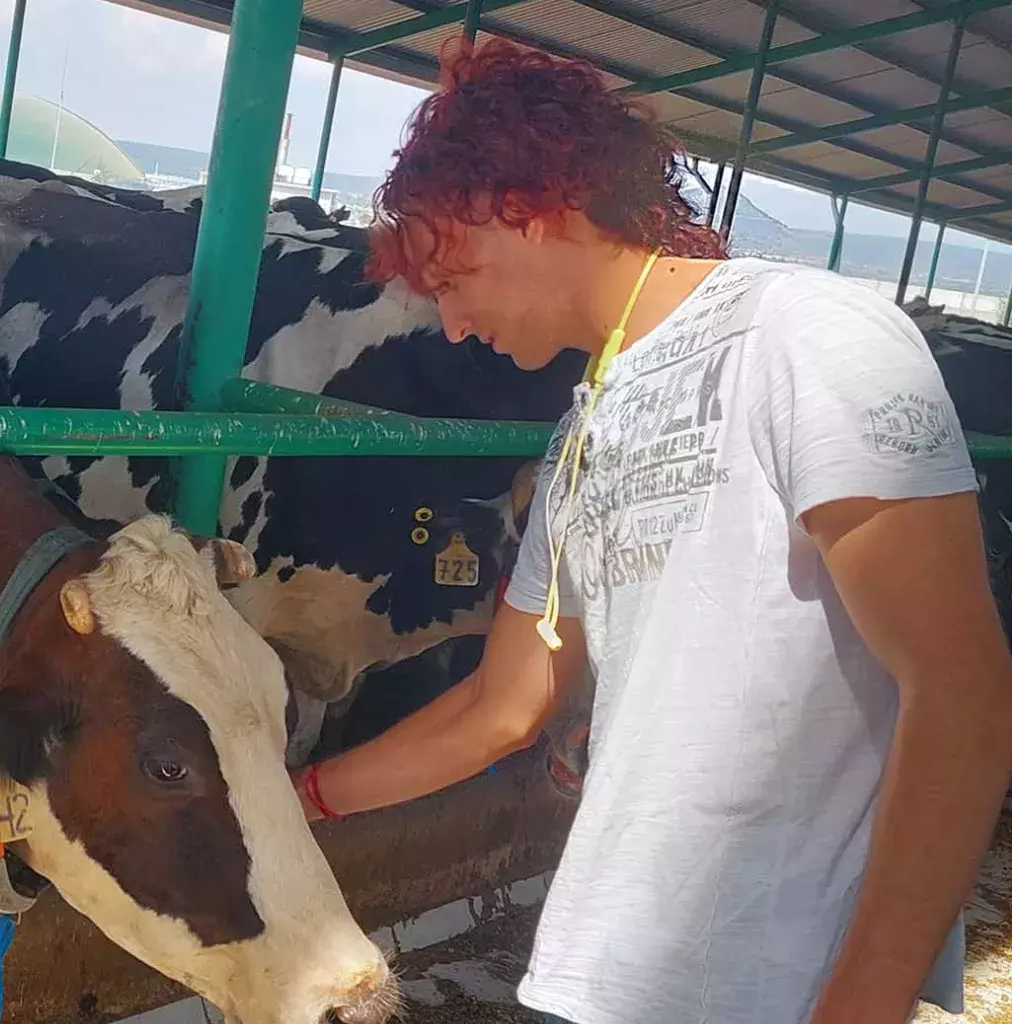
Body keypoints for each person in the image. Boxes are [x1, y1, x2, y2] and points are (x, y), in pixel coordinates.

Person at [294, 35, 1012, 1024]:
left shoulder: (806, 336)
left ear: (529, 204)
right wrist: (297, 801)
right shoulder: (579, 431)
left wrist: (862, 1004)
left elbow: (962, 692)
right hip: (600, 978)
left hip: (785, 989)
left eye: (452, 277)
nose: (454, 325)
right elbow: (498, 711)